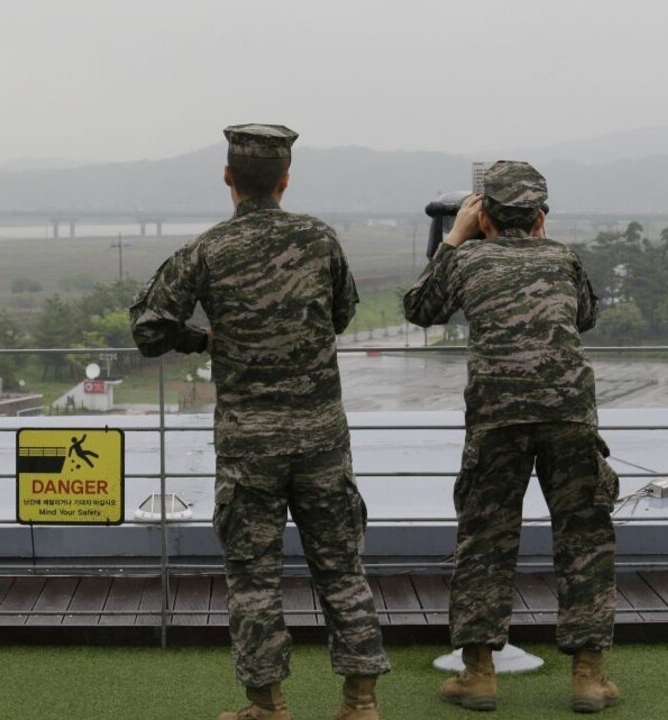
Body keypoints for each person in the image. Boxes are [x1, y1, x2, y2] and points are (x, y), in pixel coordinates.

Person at [131, 124, 390, 720]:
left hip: (249, 446)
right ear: (284, 180)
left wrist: (203, 336)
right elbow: (344, 312)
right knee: (343, 569)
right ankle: (361, 703)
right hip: (322, 438)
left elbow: (149, 329)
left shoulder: (207, 250)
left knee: (254, 581)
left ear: (228, 179)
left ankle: (268, 707)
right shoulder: (320, 239)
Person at [403, 161, 620, 713]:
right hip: (569, 414)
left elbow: (420, 310)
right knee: (585, 538)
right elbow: (586, 317)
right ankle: (589, 679)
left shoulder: (469, 257)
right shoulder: (563, 257)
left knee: (485, 541)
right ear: (541, 215)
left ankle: (478, 675)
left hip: (497, 418)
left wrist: (454, 239)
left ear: (485, 217)